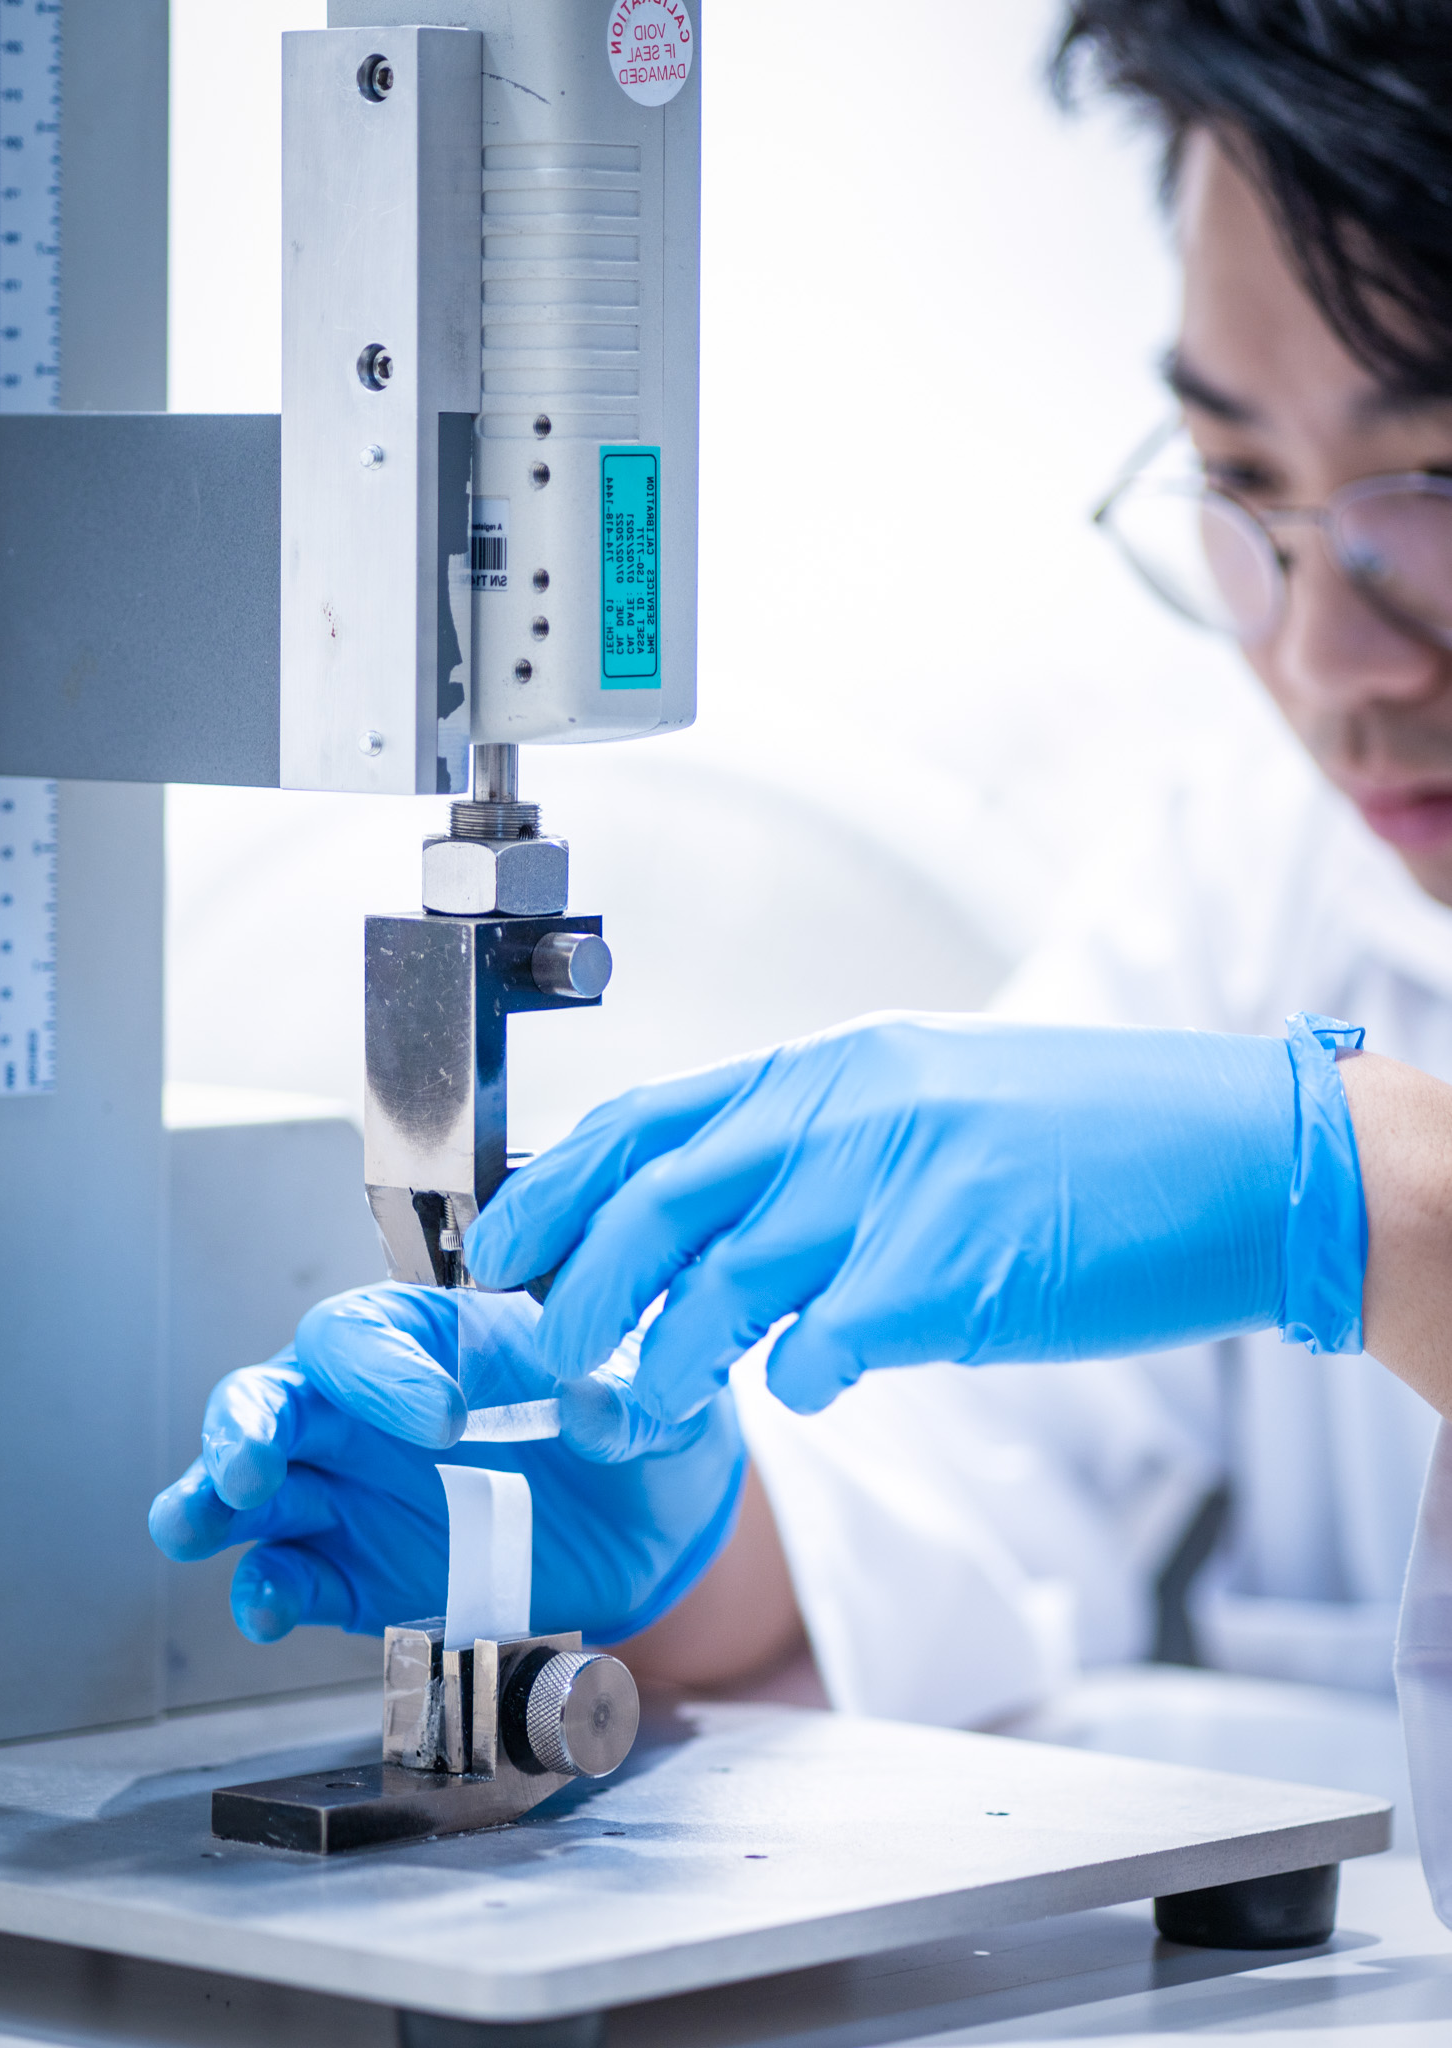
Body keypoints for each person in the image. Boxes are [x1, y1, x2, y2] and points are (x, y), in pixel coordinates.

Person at [150, 0, 1452, 1910]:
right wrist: (655, 1511)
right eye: (1239, 485)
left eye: (1430, 493)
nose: (1331, 660)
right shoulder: (1252, 872)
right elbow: (950, 1498)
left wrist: (1388, 1200)